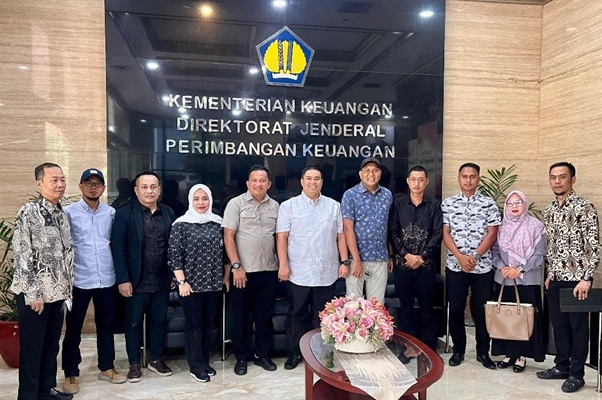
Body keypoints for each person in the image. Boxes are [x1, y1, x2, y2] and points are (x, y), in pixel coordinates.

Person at [10, 162, 74, 400]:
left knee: (50, 347)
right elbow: (22, 253)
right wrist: (33, 292)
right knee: (32, 349)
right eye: (54, 180)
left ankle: (46, 391)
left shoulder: (62, 214)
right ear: (39, 184)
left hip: (57, 293)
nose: (60, 184)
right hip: (34, 296)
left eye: (62, 179)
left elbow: (66, 254)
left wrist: (67, 292)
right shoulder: (29, 212)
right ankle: (28, 396)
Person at [276, 166, 350, 370]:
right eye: (308, 178)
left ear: (322, 182)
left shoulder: (333, 206)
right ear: (302, 181)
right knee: (297, 314)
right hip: (298, 271)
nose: (313, 182)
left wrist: (344, 262)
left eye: (317, 178)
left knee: (323, 316)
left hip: (327, 271)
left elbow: (340, 236)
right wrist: (283, 265)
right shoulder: (289, 206)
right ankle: (295, 353)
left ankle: (322, 355)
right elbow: (281, 238)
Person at [536, 162, 600, 393]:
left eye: (562, 177)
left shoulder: (585, 207)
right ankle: (561, 366)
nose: (557, 181)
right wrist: (550, 274)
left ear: (572, 179)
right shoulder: (549, 210)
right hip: (555, 279)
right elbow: (551, 246)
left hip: (578, 280)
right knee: (559, 326)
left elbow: (593, 246)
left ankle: (576, 373)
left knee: (578, 328)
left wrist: (586, 278)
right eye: (553, 177)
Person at [61, 169, 126, 395]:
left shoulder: (111, 213)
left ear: (104, 188)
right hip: (79, 279)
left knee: (106, 326)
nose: (93, 187)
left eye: (97, 183)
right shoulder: (68, 213)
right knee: (74, 328)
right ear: (80, 186)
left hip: (106, 278)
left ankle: (106, 367)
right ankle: (71, 372)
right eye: (88, 183)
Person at [111, 170, 176, 383]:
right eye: (145, 187)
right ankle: (134, 363)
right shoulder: (124, 213)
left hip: (162, 280)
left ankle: (155, 359)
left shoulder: (168, 213)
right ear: (136, 190)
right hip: (135, 281)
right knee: (133, 323)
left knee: (159, 321)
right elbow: (118, 248)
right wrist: (123, 279)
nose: (149, 191)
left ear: (159, 190)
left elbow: (173, 246)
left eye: (153, 187)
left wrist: (174, 275)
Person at [442, 162, 501, 369]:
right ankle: (458, 350)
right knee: (456, 308)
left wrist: (475, 256)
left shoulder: (489, 203)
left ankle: (483, 352)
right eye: (464, 176)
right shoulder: (448, 204)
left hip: (482, 267)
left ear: (478, 179)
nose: (468, 180)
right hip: (455, 265)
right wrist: (460, 257)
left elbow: (492, 232)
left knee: (482, 310)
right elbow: (445, 232)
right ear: (459, 178)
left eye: (472, 176)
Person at [222, 165, 279, 376]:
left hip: (268, 270)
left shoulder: (275, 206)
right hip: (243, 272)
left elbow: (279, 237)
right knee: (240, 318)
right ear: (248, 183)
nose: (258, 184)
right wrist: (236, 266)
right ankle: (241, 358)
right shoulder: (236, 204)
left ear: (269, 184)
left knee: (265, 317)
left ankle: (262, 355)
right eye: (254, 180)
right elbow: (228, 236)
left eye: (262, 180)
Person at [168, 184, 227, 383]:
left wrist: (225, 277)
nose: (201, 203)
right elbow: (174, 256)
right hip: (190, 285)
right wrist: (181, 281)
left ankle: (204, 361)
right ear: (190, 201)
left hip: (213, 283)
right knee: (194, 325)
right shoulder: (181, 224)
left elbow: (225, 253)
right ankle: (195, 366)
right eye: (196, 199)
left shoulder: (217, 222)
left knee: (208, 324)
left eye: (204, 198)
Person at [388, 166, 442, 351]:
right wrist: (406, 255)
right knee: (406, 308)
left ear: (426, 182)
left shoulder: (434, 205)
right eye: (413, 179)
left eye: (421, 180)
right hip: (403, 266)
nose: (417, 183)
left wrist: (421, 257)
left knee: (427, 307)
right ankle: (406, 348)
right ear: (408, 181)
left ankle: (428, 349)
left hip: (426, 266)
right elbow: (392, 232)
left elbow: (437, 234)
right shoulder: (398, 204)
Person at [491, 190, 546, 372]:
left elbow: (540, 254)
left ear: (525, 204)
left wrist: (519, 269)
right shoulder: (501, 227)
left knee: (525, 319)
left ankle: (522, 356)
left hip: (527, 279)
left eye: (518, 202)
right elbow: (494, 252)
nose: (514, 206)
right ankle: (508, 354)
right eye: (510, 203)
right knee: (505, 317)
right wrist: (502, 267)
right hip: (505, 278)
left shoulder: (536, 226)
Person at [341, 157, 393, 303]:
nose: (371, 174)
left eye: (375, 170)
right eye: (367, 170)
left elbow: (389, 226)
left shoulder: (387, 195)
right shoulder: (350, 195)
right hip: (357, 260)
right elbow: (347, 229)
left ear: (380, 174)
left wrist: (390, 255)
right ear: (360, 174)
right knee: (354, 305)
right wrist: (356, 260)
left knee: (376, 306)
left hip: (379, 259)